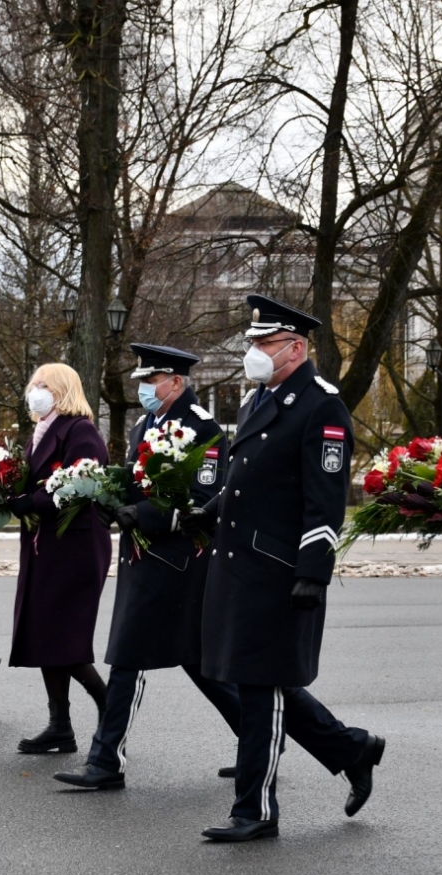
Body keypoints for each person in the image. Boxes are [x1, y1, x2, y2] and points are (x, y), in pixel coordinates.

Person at [194, 295, 385, 843]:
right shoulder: (259, 399)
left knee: (260, 689)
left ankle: (254, 811)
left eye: (263, 343)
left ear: (295, 348)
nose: (253, 352)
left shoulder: (321, 405)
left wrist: (312, 571)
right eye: (252, 343)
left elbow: (324, 502)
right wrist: (203, 515)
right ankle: (352, 747)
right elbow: (243, 480)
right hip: (238, 563)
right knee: (258, 678)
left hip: (279, 570)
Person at [53, 343, 241, 790]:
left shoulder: (204, 429)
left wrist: (146, 515)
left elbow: (200, 501)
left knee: (128, 658)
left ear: (176, 381)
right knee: (196, 662)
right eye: (141, 380)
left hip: (178, 562)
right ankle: (258, 735)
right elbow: (135, 481)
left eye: (151, 380)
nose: (144, 389)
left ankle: (105, 761)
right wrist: (110, 503)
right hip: (143, 559)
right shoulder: (145, 424)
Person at [5, 362, 112, 753]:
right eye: (33, 382)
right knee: (47, 636)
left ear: (63, 389)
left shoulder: (80, 431)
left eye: (44, 384)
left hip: (74, 550)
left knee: (65, 640)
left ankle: (110, 711)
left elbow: (79, 487)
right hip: (47, 546)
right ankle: (60, 726)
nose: (36, 389)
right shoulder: (43, 430)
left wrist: (25, 502)